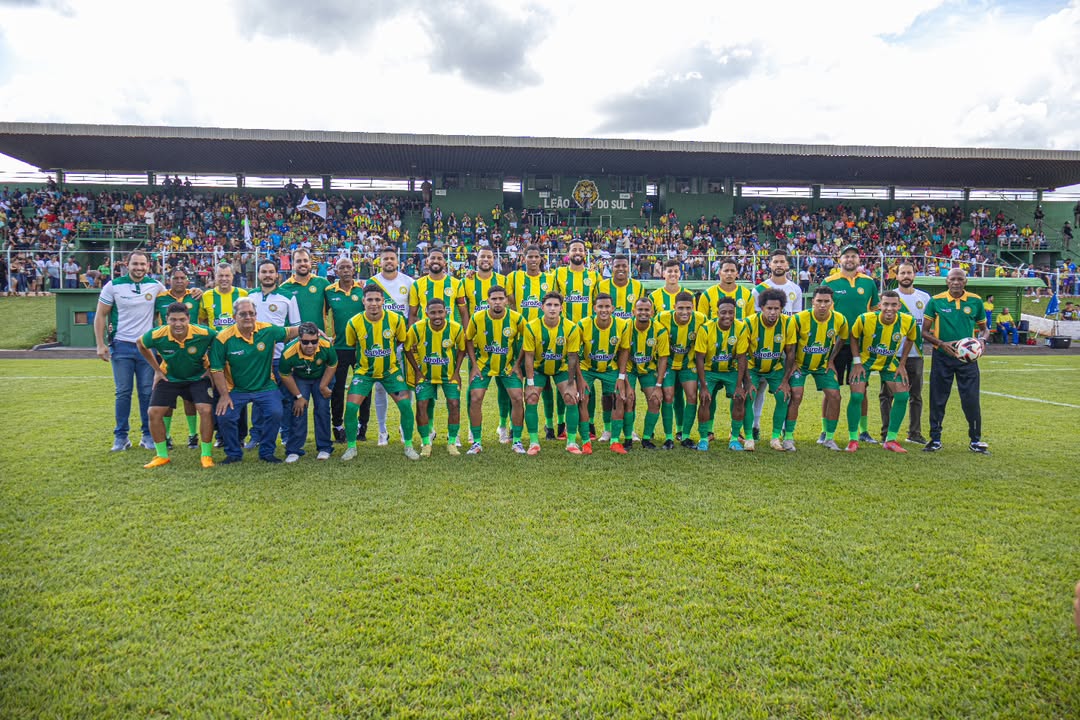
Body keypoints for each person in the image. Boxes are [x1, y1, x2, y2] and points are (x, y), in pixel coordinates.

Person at [209, 297, 300, 464]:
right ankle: (233, 453)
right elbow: (216, 369)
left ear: (256, 315)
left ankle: (267, 452)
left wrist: (312, 330)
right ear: (235, 316)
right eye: (243, 314)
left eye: (251, 313)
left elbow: (290, 331)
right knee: (225, 416)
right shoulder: (223, 338)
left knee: (275, 412)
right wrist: (224, 395)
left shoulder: (267, 330)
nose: (248, 317)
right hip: (236, 389)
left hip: (265, 386)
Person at [94, 250, 170, 451]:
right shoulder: (113, 286)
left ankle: (148, 435)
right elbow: (101, 315)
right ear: (127, 265)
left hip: (146, 347)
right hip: (122, 346)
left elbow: (172, 302)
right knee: (123, 393)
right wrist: (100, 344)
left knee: (147, 392)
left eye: (142, 264)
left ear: (148, 266)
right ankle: (121, 437)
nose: (139, 268)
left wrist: (195, 291)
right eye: (135, 264)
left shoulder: (156, 286)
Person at [341, 284, 418, 461]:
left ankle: (408, 445)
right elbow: (352, 344)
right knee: (352, 407)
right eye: (370, 300)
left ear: (383, 301)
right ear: (363, 301)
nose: (373, 303)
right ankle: (351, 447)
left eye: (377, 299)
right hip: (364, 372)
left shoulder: (396, 319)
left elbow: (400, 340)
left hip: (390, 371)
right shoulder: (353, 323)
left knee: (405, 406)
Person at [136, 302, 217, 468]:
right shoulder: (157, 335)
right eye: (173, 320)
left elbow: (220, 342)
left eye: (182, 319)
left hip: (197, 377)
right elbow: (140, 344)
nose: (178, 324)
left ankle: (206, 455)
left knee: (206, 410)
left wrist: (212, 368)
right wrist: (157, 370)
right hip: (169, 378)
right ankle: (161, 455)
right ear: (166, 320)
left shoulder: (204, 333)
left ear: (189, 319)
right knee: (153, 412)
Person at [922, 268, 990, 454]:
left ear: (965, 282)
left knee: (971, 400)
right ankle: (935, 439)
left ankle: (975, 441)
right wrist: (941, 344)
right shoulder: (936, 301)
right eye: (953, 279)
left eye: (960, 279)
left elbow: (985, 329)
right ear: (947, 281)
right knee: (937, 398)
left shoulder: (975, 301)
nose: (956, 282)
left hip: (967, 359)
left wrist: (982, 341)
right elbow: (924, 332)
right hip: (942, 356)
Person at [821, 244, 880, 444]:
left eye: (854, 256)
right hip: (836, 343)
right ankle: (824, 430)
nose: (850, 259)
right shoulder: (829, 281)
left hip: (861, 345)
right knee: (831, 389)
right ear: (840, 259)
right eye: (846, 256)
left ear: (859, 260)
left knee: (861, 389)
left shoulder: (869, 282)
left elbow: (875, 311)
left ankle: (863, 431)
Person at [848, 291, 917, 454]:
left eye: (894, 305)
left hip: (889, 362)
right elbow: (853, 337)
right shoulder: (865, 319)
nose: (889, 308)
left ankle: (890, 440)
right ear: (879, 306)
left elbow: (911, 339)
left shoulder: (908, 321)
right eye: (886, 304)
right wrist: (857, 362)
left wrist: (902, 364)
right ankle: (853, 439)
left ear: (899, 306)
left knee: (902, 395)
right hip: (864, 361)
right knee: (857, 396)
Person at [465, 284, 527, 454]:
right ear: (488, 301)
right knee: (476, 397)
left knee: (516, 397)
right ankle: (476, 442)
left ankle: (517, 441)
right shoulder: (477, 317)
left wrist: (517, 364)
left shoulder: (517, 318)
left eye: (501, 299)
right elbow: (468, 339)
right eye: (494, 299)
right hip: (483, 366)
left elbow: (528, 340)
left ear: (506, 301)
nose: (498, 302)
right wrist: (474, 365)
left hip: (508, 366)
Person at [787, 286, 848, 452]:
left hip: (822, 366)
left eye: (826, 301)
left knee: (835, 396)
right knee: (797, 395)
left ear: (832, 303)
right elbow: (790, 345)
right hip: (801, 365)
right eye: (819, 301)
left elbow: (842, 338)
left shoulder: (840, 319)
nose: (822, 305)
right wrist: (792, 364)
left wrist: (831, 360)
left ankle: (829, 437)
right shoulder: (799, 319)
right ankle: (788, 437)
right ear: (812, 301)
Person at [522, 292, 583, 455]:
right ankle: (534, 442)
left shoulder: (571, 327)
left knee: (571, 398)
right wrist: (529, 383)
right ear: (542, 307)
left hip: (561, 368)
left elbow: (572, 357)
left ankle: (571, 442)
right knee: (531, 397)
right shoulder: (531, 327)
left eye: (556, 305)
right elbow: (528, 356)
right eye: (549, 305)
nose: (552, 308)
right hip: (538, 368)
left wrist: (571, 382)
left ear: (561, 308)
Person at [405, 297, 466, 456]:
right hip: (425, 375)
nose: (437, 316)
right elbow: (406, 348)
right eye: (433, 313)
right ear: (426, 313)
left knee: (454, 404)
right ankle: (426, 442)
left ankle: (452, 442)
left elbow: (462, 349)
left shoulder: (456, 328)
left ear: (446, 312)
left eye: (440, 312)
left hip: (449, 375)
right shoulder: (417, 328)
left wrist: (456, 372)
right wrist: (417, 371)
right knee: (421, 404)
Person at [507, 244, 557, 438]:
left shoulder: (550, 279)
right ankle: (514, 425)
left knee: (546, 384)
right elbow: (508, 298)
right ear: (523, 258)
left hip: (546, 338)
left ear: (541, 259)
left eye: (537, 257)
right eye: (530, 257)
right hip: (521, 338)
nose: (533, 260)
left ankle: (551, 425)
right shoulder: (514, 277)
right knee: (517, 382)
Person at [553, 240, 600, 439]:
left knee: (588, 379)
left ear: (585, 253)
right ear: (568, 252)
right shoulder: (558, 274)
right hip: (563, 333)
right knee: (564, 378)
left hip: (587, 334)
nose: (578, 252)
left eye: (581, 249)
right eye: (574, 249)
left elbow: (600, 303)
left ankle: (589, 423)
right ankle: (561, 423)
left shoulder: (594, 276)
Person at [881, 261, 931, 444]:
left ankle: (915, 433)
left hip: (915, 354)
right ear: (897, 275)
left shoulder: (924, 298)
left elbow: (929, 324)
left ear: (914, 275)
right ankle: (886, 433)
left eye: (909, 272)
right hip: (891, 355)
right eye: (902, 273)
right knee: (887, 395)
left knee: (915, 395)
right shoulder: (891, 298)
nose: (906, 276)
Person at [463, 247, 510, 442]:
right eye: (482, 256)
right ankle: (471, 428)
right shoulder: (467, 281)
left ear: (494, 260)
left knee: (505, 387)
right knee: (473, 388)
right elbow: (463, 309)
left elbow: (512, 305)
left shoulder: (503, 280)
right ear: (476, 259)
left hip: (502, 342)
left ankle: (502, 426)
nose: (485, 259)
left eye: (489, 256)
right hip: (478, 343)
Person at [575, 293, 631, 455]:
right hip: (586, 367)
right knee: (582, 398)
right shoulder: (583, 325)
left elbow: (624, 351)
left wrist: (621, 377)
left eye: (607, 306)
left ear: (613, 308)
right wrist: (579, 378)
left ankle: (614, 441)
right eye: (600, 307)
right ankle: (586, 441)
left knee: (620, 397)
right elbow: (574, 354)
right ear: (594, 308)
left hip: (610, 368)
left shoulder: (622, 325)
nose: (604, 310)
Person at [693, 297, 751, 452]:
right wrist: (703, 386)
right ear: (717, 312)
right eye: (723, 312)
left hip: (730, 371)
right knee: (705, 399)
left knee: (739, 398)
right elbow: (699, 358)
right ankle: (704, 437)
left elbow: (741, 358)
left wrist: (739, 385)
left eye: (731, 312)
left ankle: (734, 438)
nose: (727, 316)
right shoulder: (706, 328)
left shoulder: (741, 328)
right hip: (710, 371)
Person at [744, 288, 796, 452]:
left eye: (777, 309)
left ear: (782, 309)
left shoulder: (788, 322)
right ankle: (749, 437)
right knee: (748, 396)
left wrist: (785, 380)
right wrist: (746, 380)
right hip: (752, 367)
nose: (773, 312)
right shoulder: (749, 322)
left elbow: (790, 352)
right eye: (769, 308)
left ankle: (775, 438)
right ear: (761, 308)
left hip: (775, 368)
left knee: (783, 396)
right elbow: (742, 354)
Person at [278, 322, 337, 463]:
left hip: (322, 377)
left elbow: (332, 364)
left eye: (313, 341)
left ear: (318, 338)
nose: (310, 346)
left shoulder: (327, 346)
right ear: (299, 340)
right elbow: (285, 375)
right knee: (298, 410)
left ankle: (324, 447)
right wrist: (298, 396)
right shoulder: (288, 352)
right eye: (305, 342)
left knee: (322, 409)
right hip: (300, 379)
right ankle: (294, 450)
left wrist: (323, 386)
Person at [657, 291, 705, 449]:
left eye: (688, 308)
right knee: (668, 396)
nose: (685, 312)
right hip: (668, 364)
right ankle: (669, 437)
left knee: (692, 396)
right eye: (681, 308)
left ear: (693, 307)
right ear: (674, 307)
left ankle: (685, 436)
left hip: (688, 363)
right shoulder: (662, 318)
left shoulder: (701, 319)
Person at [324, 257, 364, 443]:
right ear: (336, 271)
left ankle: (362, 427)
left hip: (361, 348)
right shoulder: (329, 292)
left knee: (363, 388)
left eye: (349, 267)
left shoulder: (362, 289)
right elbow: (322, 315)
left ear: (353, 269)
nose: (346, 270)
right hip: (339, 348)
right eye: (342, 267)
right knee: (338, 389)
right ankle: (338, 426)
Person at [624, 297, 670, 450]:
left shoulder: (660, 330)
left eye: (646, 310)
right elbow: (622, 355)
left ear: (652, 312)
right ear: (634, 311)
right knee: (628, 399)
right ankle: (628, 439)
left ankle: (646, 439)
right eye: (640, 310)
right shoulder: (626, 327)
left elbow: (663, 358)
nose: (643, 313)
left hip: (649, 369)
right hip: (629, 369)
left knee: (656, 400)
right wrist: (623, 379)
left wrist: (658, 385)